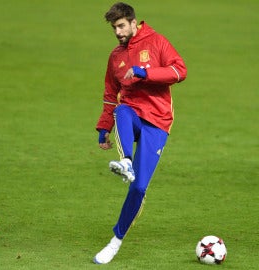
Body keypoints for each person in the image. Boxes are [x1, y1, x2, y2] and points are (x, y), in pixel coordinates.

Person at [93, 2, 187, 264]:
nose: (118, 32)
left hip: (157, 121)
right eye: (114, 28)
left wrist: (145, 73)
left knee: (139, 188)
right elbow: (111, 95)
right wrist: (103, 127)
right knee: (121, 111)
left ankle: (116, 241)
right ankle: (126, 161)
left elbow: (180, 71)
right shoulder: (115, 57)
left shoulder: (157, 42)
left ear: (134, 23)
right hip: (132, 113)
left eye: (122, 26)